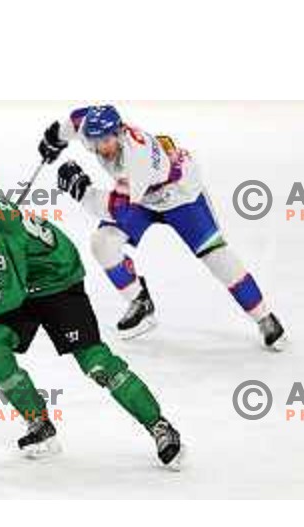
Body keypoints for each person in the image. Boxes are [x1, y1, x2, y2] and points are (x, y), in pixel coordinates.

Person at [0, 164, 182, 466]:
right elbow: (0, 260)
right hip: (22, 276)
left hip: (58, 278)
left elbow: (10, 292)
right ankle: (40, 425)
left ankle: (160, 426)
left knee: (95, 363)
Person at [38, 105, 287, 348]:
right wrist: (55, 138)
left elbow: (119, 209)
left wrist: (80, 190)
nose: (102, 147)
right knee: (102, 243)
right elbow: (76, 118)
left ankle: (264, 317)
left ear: (119, 132)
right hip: (143, 198)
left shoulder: (137, 157)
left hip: (180, 196)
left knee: (217, 257)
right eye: (95, 141)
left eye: (106, 140)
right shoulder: (92, 131)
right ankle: (140, 302)